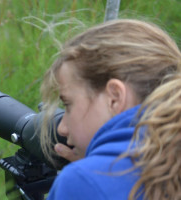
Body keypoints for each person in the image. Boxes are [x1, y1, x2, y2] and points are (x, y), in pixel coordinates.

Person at [39, 19, 181, 199]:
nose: (62, 128)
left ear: (114, 98)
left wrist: (90, 174)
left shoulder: (82, 182)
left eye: (68, 104)